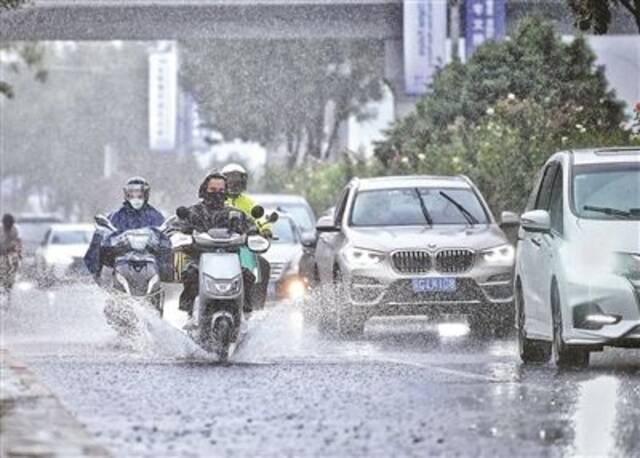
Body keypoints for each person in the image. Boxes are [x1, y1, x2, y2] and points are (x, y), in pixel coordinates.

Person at [177, 171, 256, 326]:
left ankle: (246, 315)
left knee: (247, 275)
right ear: (204, 190)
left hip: (230, 262)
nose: (217, 194)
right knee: (190, 273)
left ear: (226, 192)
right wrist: (178, 234)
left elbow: (251, 226)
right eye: (213, 190)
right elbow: (177, 225)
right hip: (200, 260)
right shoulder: (193, 212)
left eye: (221, 191)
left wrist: (255, 233)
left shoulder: (235, 214)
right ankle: (190, 313)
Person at [84, 176, 166, 278]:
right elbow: (108, 235)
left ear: (146, 194)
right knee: (98, 238)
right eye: (132, 193)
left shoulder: (155, 215)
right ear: (126, 194)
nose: (136, 197)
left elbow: (163, 235)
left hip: (149, 258)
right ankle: (93, 276)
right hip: (122, 258)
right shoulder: (116, 215)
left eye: (139, 193)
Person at [221, 163, 272, 309]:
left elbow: (260, 218)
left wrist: (266, 229)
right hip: (217, 247)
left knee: (263, 265)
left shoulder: (249, 203)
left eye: (238, 181)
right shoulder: (217, 201)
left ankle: (256, 306)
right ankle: (192, 307)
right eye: (230, 180)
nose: (234, 184)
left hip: (242, 246)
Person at [0, 213, 22, 299]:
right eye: (6, 223)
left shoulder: (15, 230)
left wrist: (18, 253)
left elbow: (18, 242)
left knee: (13, 264)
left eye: (10, 223)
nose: (8, 225)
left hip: (11, 253)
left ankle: (9, 283)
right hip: (1, 253)